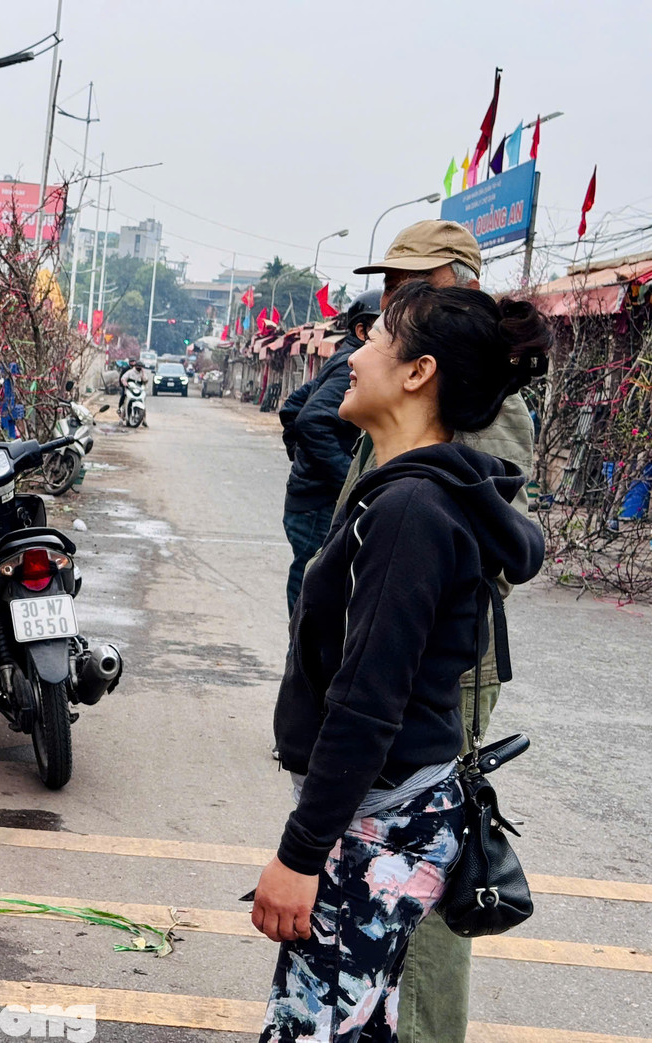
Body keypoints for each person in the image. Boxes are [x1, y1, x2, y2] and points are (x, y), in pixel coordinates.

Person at [253, 282, 549, 1042]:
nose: (353, 355)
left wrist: (300, 853)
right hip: (392, 816)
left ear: (418, 372)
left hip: (375, 826)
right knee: (361, 1025)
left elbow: (367, 702)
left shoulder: (410, 512)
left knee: (312, 1030)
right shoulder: (418, 494)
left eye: (377, 340)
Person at [344, 221, 536, 1043]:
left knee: (417, 864)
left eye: (409, 282)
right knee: (380, 867)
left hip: (437, 664)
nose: (391, 298)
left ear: (459, 280)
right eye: (389, 284)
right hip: (395, 649)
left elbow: (481, 531)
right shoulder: (402, 372)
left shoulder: (482, 399)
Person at [279, 290, 382, 614]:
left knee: (311, 579)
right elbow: (310, 421)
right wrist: (350, 478)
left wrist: (302, 457)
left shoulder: (343, 357)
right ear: (362, 331)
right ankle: (300, 657)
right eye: (384, 328)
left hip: (309, 497)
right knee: (313, 587)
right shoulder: (351, 367)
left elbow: (293, 407)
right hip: (318, 502)